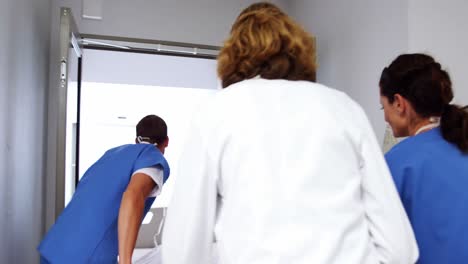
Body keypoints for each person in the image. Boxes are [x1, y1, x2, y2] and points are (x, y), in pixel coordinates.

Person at [162, 2, 418, 264]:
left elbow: (182, 250)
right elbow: (400, 250)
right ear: (299, 50)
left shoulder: (216, 112)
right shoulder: (345, 109)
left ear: (232, 55)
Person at [38, 114, 171, 264]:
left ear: (136, 139)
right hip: (88, 257)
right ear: (166, 141)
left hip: (55, 247)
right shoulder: (152, 157)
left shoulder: (111, 155)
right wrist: (125, 261)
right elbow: (133, 196)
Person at [380, 53, 468, 264]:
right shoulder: (462, 142)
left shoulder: (396, 163)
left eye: (384, 107)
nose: (385, 117)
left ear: (399, 103)